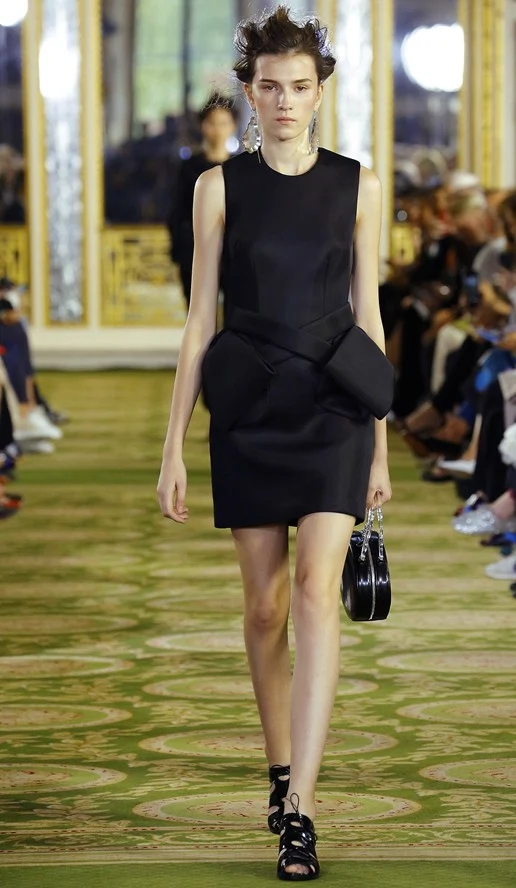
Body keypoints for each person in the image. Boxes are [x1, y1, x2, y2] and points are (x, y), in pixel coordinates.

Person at [156, 6, 391, 881]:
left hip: (334, 408)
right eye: (269, 87)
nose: (284, 101)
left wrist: (378, 446)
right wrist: (173, 445)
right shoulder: (218, 188)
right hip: (250, 407)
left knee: (318, 594)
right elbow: (198, 323)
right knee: (264, 607)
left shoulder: (359, 186)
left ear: (321, 92)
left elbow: (369, 316)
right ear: (248, 94)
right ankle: (280, 767)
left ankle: (302, 812)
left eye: (298, 86)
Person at [167, 95, 237, 308]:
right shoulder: (190, 167)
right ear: (203, 126)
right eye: (212, 123)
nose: (218, 130)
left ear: (233, 126)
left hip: (233, 253)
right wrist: (181, 248)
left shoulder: (240, 167)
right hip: (196, 249)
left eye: (223, 123)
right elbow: (178, 210)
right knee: (198, 310)